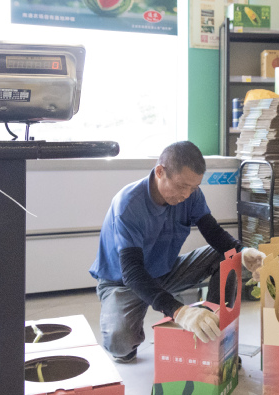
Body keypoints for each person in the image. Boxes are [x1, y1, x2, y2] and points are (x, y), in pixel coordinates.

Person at [90, 141, 266, 363]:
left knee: (227, 255)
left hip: (165, 272)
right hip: (123, 283)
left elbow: (213, 232)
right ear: (160, 172)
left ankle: (213, 326)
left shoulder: (191, 195)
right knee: (120, 344)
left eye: (194, 187)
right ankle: (140, 326)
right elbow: (132, 272)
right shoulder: (128, 206)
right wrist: (180, 312)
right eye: (182, 186)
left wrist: (242, 251)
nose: (187, 194)